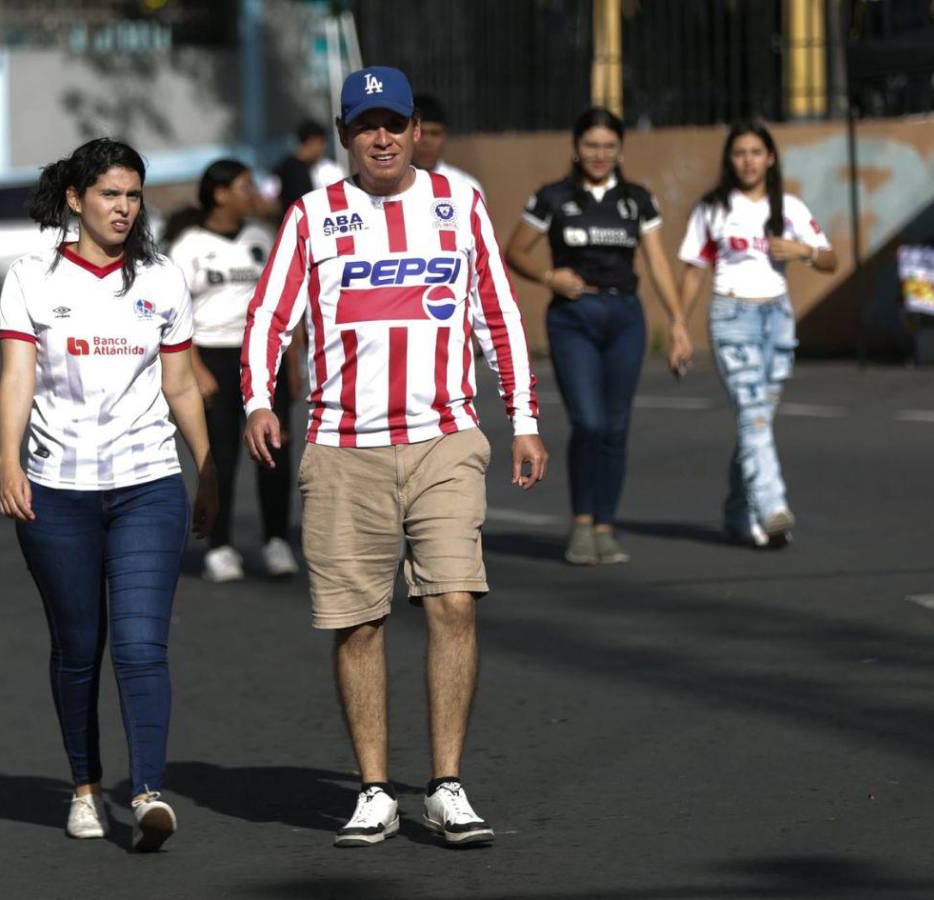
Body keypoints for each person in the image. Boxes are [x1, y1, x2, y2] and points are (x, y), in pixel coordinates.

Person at [242, 66, 547, 848]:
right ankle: (375, 791)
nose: (381, 138)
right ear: (345, 136)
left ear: (415, 130)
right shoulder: (313, 216)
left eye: (394, 123)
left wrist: (523, 418)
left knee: (455, 602)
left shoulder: (460, 204)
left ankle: (446, 786)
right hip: (343, 448)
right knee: (358, 624)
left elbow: (498, 315)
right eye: (365, 125)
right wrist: (258, 402)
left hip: (445, 437)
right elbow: (269, 317)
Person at [0, 138, 218, 851]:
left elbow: (180, 383)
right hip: (57, 492)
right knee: (78, 647)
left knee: (142, 643)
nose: (124, 208)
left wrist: (206, 465)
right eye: (110, 195)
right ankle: (86, 787)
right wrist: (8, 459)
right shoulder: (32, 276)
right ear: (76, 198)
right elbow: (18, 377)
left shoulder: (162, 276)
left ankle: (147, 792)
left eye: (133, 195)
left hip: (147, 484)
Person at [505, 107, 692, 566]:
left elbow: (657, 263)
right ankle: (582, 521)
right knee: (588, 422)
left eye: (609, 146)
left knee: (616, 426)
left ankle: (604, 526)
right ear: (576, 147)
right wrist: (549, 277)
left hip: (625, 317)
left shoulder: (637, 200)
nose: (600, 154)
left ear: (620, 150)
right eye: (591, 145)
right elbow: (515, 250)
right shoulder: (552, 197)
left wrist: (678, 322)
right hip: (574, 318)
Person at [676, 120, 837, 548]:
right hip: (732, 316)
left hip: (777, 319)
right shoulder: (713, 208)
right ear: (729, 160)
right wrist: (678, 326)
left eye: (755, 152)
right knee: (754, 416)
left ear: (770, 158)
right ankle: (771, 507)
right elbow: (692, 271)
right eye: (739, 153)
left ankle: (736, 511)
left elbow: (830, 260)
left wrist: (802, 250)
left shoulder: (789, 208)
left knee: (756, 422)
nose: (748, 161)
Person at [167, 159, 300, 582]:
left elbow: (283, 307)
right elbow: (174, 315)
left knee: (274, 453)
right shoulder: (188, 246)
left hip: (262, 358)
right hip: (212, 358)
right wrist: (196, 369)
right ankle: (220, 547)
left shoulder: (262, 237)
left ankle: (276, 541)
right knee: (220, 457)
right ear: (220, 194)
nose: (254, 195)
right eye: (245, 187)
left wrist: (292, 365)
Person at [412, 93, 484, 198]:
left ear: (445, 135)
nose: (427, 142)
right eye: (421, 133)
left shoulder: (467, 187)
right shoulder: (392, 185)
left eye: (435, 133)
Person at [273, 120, 340, 219]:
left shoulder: (325, 168)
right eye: (321, 143)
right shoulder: (290, 169)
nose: (323, 148)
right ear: (311, 141)